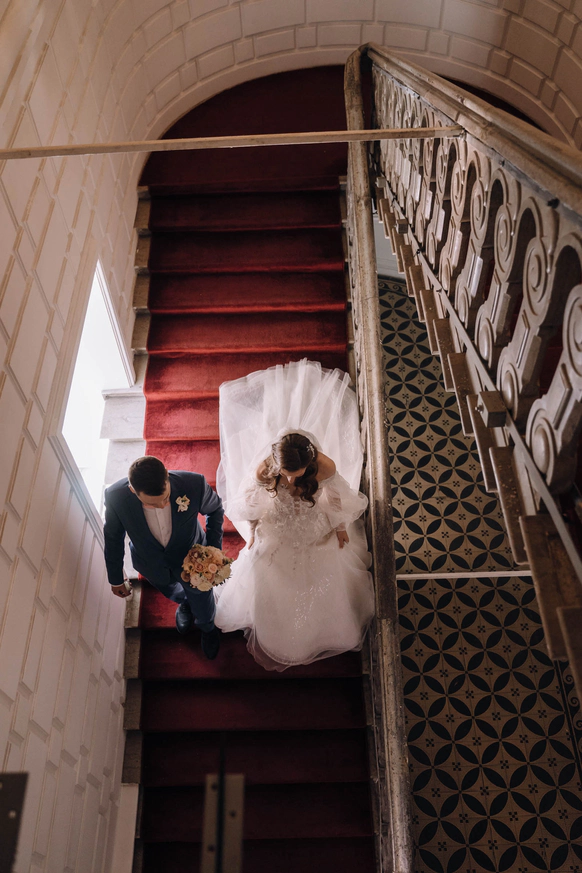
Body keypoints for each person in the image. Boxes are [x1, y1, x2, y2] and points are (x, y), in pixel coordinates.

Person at [214, 360, 375, 671]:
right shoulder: (264, 470)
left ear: (308, 463)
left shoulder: (324, 466)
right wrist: (253, 534)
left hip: (313, 522)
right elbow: (252, 506)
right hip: (277, 523)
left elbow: (335, 498)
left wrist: (340, 526)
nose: (289, 479)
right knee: (266, 569)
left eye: (296, 473)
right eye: (285, 473)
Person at [103, 456, 224, 659]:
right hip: (152, 563)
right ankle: (184, 602)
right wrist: (115, 579)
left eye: (166, 498)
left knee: (203, 599)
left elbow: (215, 510)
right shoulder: (116, 497)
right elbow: (113, 538)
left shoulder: (193, 484)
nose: (161, 505)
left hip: (193, 559)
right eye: (152, 504)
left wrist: (213, 552)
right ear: (133, 491)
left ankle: (207, 627)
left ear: (167, 476)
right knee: (171, 589)